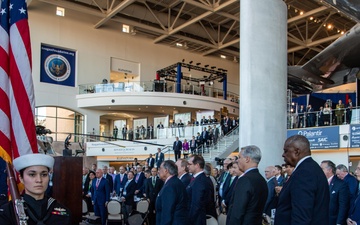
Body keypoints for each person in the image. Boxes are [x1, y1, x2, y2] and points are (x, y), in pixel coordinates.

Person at [0, 153, 71, 224]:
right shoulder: (8, 212)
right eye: (32, 175)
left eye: (44, 174)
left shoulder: (63, 212)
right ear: (21, 178)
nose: (39, 180)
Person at [275, 135, 330, 225]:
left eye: (286, 151)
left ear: (296, 152)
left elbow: (301, 215)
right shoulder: (310, 168)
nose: (283, 154)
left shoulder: (304, 173)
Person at [226, 145, 268, 225]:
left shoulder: (245, 180)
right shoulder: (262, 180)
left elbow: (237, 213)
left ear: (247, 159)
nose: (237, 160)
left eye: (239, 157)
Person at [156, 160, 188, 225]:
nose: (158, 171)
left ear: (166, 170)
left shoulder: (170, 186)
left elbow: (167, 212)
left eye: (160, 168)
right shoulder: (175, 182)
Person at [187, 155, 216, 225]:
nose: (187, 166)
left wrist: (189, 220)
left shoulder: (200, 181)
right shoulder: (196, 179)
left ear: (197, 165)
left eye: (190, 164)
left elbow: (196, 204)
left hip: (197, 220)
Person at [320, 160, 349, 225]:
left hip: (333, 221)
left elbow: (343, 206)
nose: (319, 171)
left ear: (329, 170)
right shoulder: (320, 183)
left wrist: (339, 222)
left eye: (322, 169)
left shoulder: (341, 184)